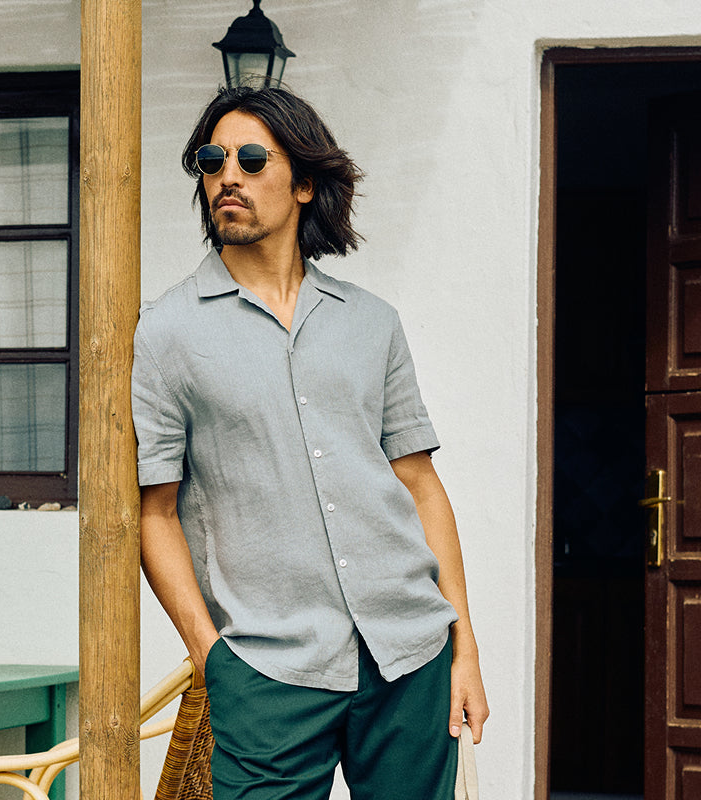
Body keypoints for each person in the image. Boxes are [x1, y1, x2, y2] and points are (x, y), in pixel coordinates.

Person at [132, 84, 489, 800]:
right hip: (268, 672)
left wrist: (464, 647)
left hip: (408, 656)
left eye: (251, 159)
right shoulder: (168, 331)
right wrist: (211, 657)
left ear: (303, 184)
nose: (227, 176)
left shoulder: (372, 322)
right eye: (211, 161)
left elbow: (419, 484)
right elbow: (157, 511)